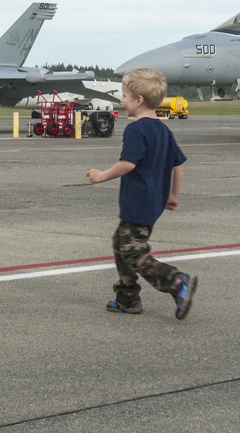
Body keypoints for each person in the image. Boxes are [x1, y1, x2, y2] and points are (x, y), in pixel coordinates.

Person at [87, 67, 196, 320]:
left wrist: (101, 175)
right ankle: (127, 297)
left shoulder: (136, 129)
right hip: (153, 202)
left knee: (134, 253)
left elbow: (128, 163)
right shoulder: (163, 130)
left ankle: (176, 281)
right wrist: (173, 195)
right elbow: (178, 164)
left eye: (124, 96)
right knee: (120, 244)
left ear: (138, 101)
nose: (122, 100)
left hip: (138, 202)